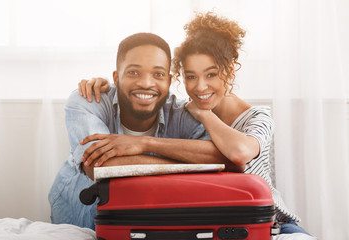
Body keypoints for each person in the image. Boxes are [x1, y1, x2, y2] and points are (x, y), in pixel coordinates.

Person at [80, 12, 315, 238]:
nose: (201, 87)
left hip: (272, 222)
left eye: (211, 75)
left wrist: (203, 115)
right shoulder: (184, 113)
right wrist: (103, 84)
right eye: (191, 76)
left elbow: (240, 154)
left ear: (230, 70)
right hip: (215, 220)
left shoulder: (258, 117)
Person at [49, 32, 242, 230]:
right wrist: (187, 165)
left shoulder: (184, 113)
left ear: (168, 81)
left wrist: (144, 144)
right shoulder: (87, 99)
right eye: (133, 72)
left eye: (158, 74)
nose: (146, 83)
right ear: (116, 77)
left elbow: (226, 160)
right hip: (80, 221)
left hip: (149, 223)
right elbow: (99, 166)